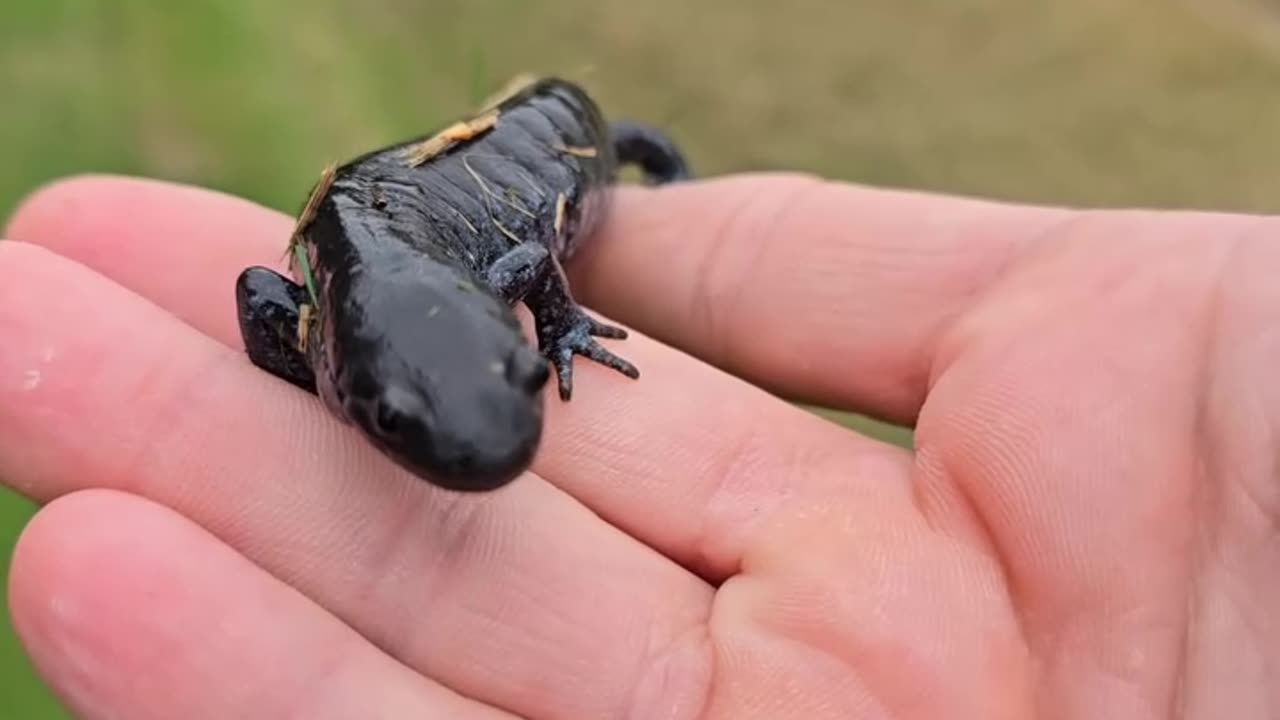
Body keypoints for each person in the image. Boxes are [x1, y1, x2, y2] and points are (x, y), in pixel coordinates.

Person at [0, 171, 1271, 718]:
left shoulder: (484, 278)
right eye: (399, 421)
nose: (500, 448)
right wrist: (312, 390)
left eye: (514, 372)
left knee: (580, 161)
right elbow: (259, 297)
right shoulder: (315, 296)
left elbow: (518, 257)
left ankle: (631, 158)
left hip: (507, 165)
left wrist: (551, 331)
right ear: (335, 352)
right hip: (391, 250)